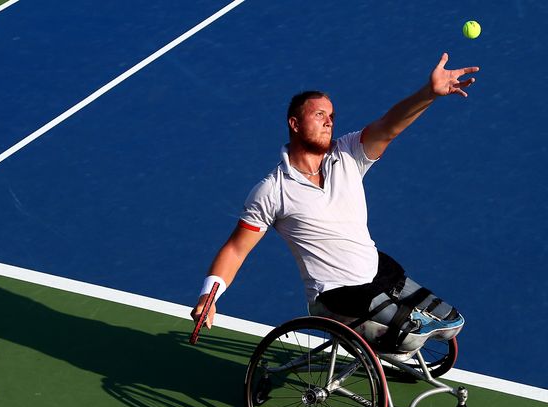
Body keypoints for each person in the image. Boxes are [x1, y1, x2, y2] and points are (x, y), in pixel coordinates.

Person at [191, 53, 478, 353]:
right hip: (338, 297)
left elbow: (390, 125)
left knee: (449, 321)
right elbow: (236, 249)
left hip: (377, 274)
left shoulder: (351, 153)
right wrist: (206, 298)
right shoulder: (272, 191)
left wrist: (428, 94)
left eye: (331, 116)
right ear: (295, 123)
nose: (329, 122)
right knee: (410, 336)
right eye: (319, 115)